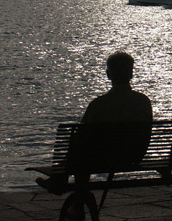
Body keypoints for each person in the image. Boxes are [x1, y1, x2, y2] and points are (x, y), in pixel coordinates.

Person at [36, 52, 152, 202]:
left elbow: (81, 134)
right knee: (83, 149)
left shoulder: (99, 104)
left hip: (104, 158)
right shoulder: (143, 101)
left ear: (108, 74)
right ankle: (64, 185)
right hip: (134, 156)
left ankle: (68, 187)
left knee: (80, 148)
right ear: (131, 74)